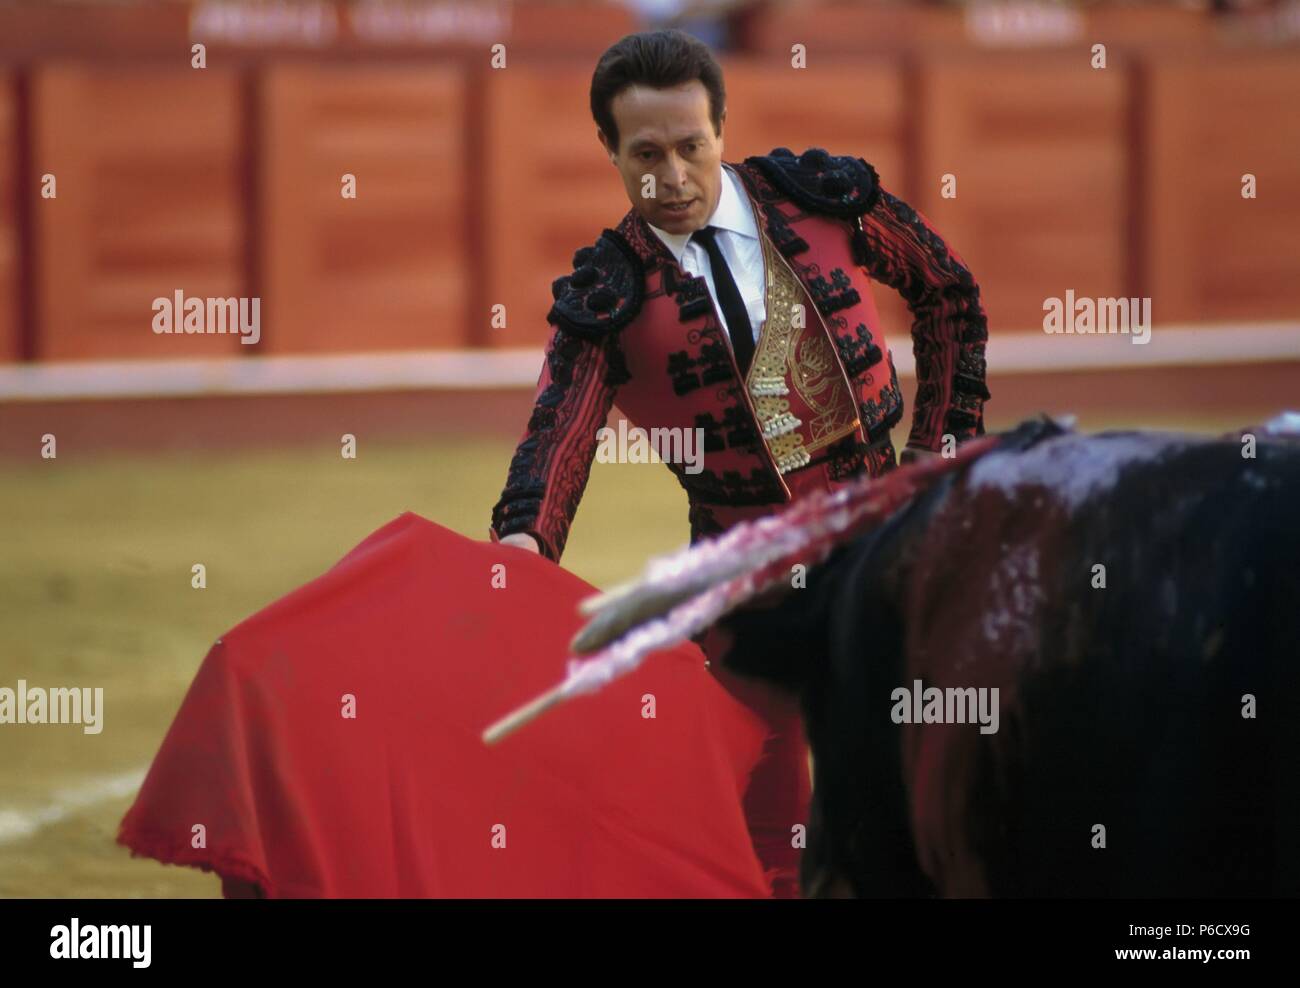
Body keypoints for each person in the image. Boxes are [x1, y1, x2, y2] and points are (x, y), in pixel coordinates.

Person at [488, 28, 990, 897]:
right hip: (744, 582)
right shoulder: (607, 296)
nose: (673, 178)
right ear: (608, 150)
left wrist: (937, 463)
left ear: (722, 127)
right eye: (646, 154)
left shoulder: (820, 200)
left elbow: (947, 292)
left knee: (941, 796)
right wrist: (525, 542)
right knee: (770, 838)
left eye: (691, 146)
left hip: (891, 541)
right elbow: (559, 437)